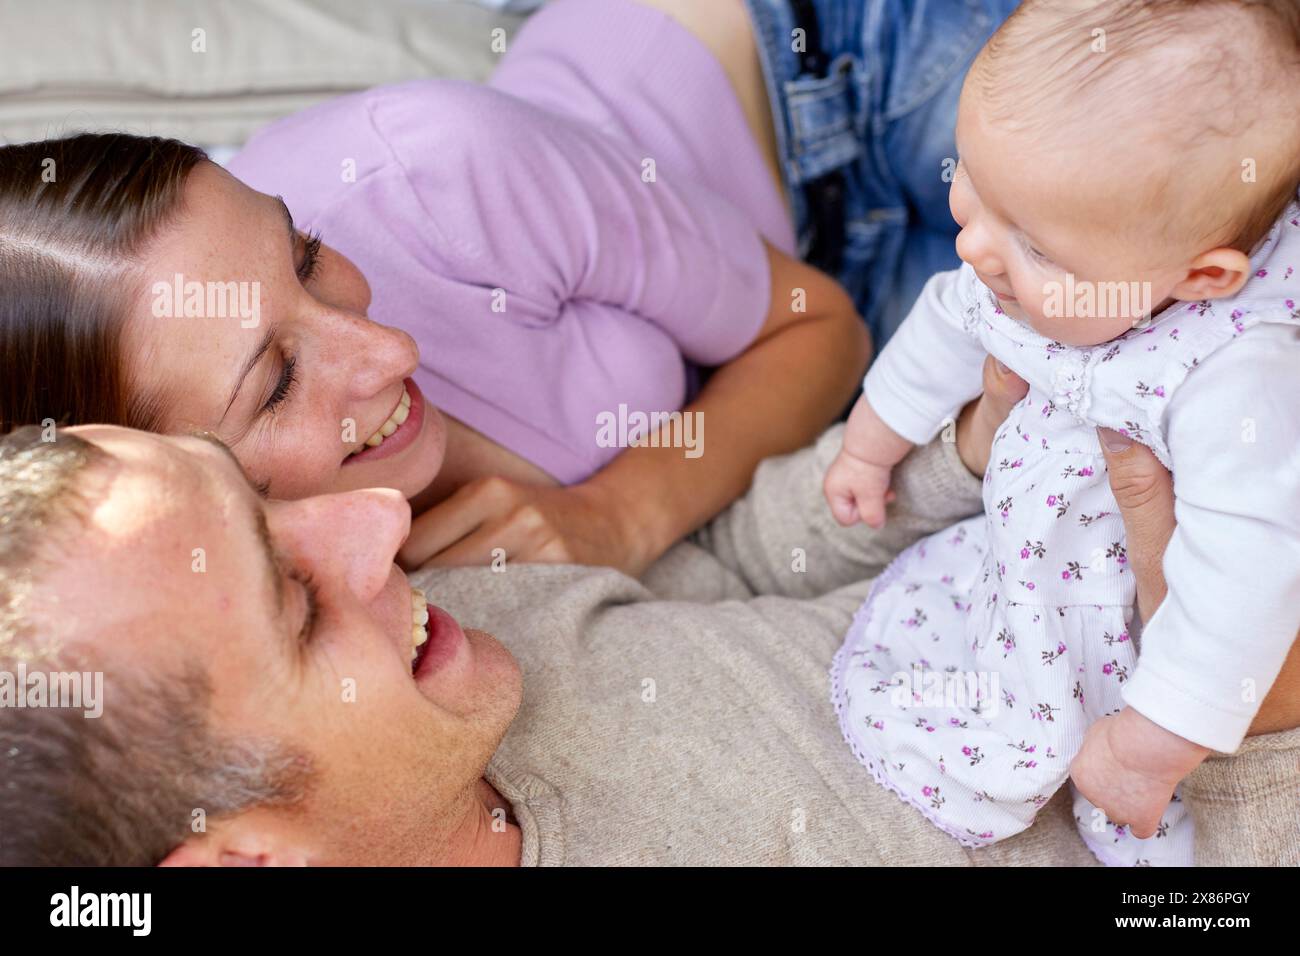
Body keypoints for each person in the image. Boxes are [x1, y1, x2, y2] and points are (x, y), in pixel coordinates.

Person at [1, 366, 1296, 866]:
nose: (373, 519)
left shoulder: (465, 631)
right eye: (292, 601)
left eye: (259, 497)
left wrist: (962, 445)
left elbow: (739, 565)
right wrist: (1250, 720)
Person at [0, 0, 1019, 574]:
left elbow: (816, 325)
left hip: (823, 69)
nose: (390, 349)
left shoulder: (435, 171)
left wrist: (618, 514)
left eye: (305, 251)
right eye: (274, 383)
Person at [822, 0, 1300, 864]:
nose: (976, 247)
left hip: (1142, 636)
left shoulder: (1240, 378)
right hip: (1027, 569)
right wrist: (870, 444)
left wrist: (1159, 735)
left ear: (1199, 275)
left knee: (1155, 821)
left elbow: (1249, 573)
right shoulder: (1037, 252)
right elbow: (947, 321)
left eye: (1034, 247)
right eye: (969, 179)